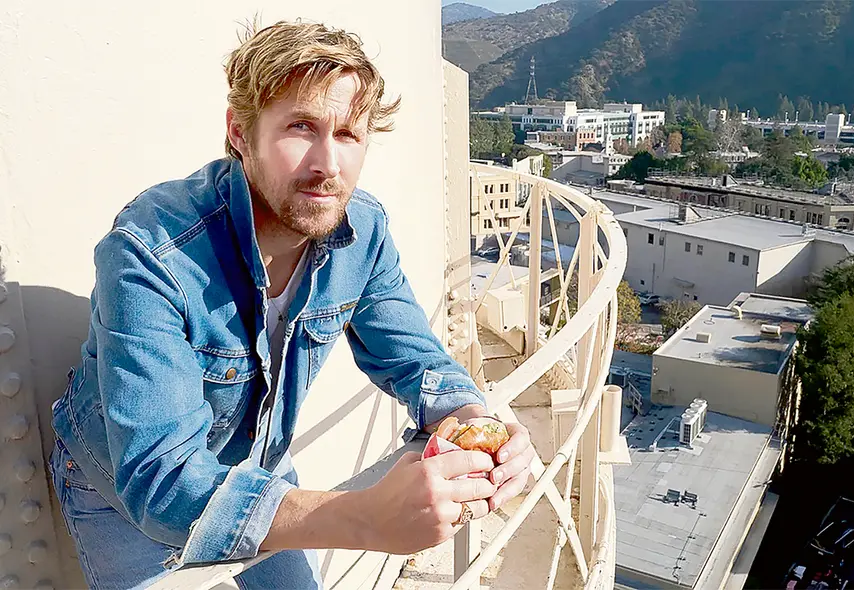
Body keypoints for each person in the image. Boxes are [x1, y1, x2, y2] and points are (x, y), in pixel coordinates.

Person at [48, 20, 535, 589]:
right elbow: (160, 479)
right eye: (301, 127)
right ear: (238, 131)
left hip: (256, 463)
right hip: (120, 495)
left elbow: (416, 361)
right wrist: (366, 520)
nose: (328, 165)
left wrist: (474, 421)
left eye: (350, 134)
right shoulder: (149, 254)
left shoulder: (363, 231)